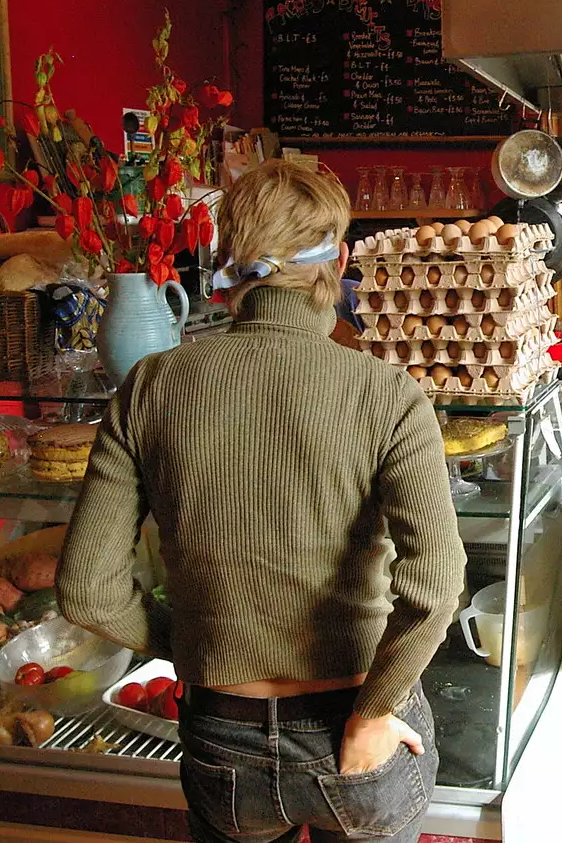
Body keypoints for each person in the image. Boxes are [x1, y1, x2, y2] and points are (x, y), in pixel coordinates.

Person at [59, 160, 466, 843]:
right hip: (354, 725)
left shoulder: (149, 384)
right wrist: (373, 713)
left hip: (225, 734)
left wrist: (196, 640)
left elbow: (86, 592)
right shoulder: (386, 392)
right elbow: (436, 585)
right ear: (337, 261)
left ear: (226, 265)